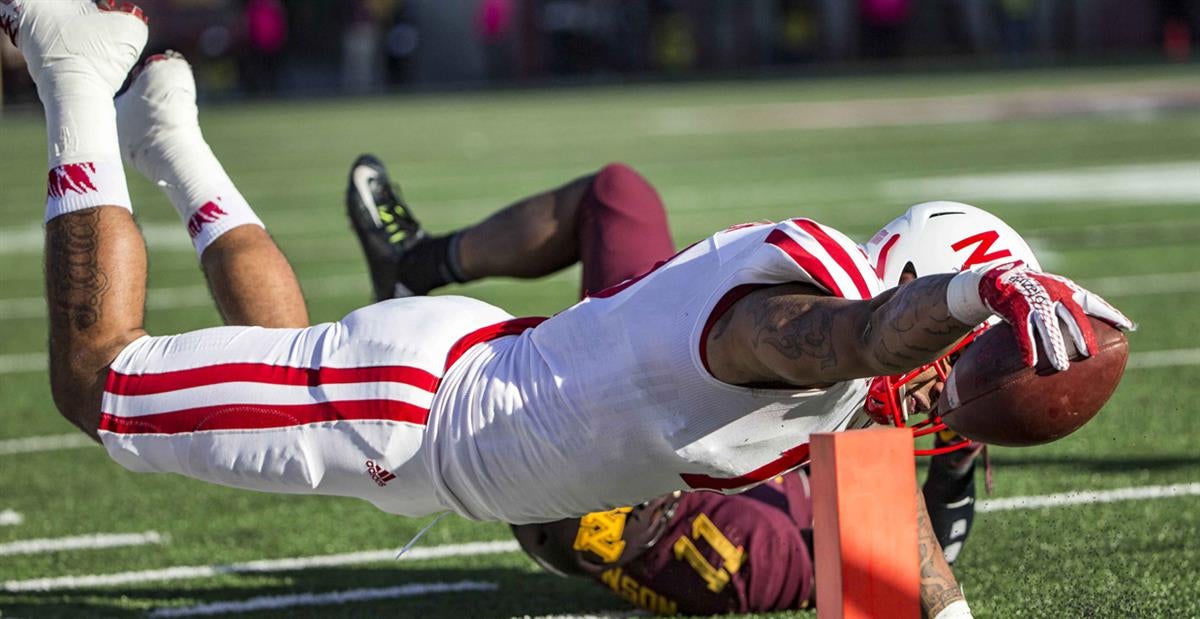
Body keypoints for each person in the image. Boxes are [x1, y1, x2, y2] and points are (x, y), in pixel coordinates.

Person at [6, 3, 1131, 618]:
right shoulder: (805, 322)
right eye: (954, 348)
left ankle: (174, 141)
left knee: (266, 354)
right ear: (916, 284)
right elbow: (861, 339)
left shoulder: (851, 354)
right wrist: (976, 294)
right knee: (93, 380)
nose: (944, 382)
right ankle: (74, 66)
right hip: (422, 412)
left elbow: (898, 567)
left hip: (456, 391)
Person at [345, 162, 992, 615]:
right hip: (636, 422)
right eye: (952, 350)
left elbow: (882, 575)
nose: (948, 383)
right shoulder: (818, 328)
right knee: (618, 194)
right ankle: (414, 267)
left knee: (843, 569)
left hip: (676, 499)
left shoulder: (866, 416)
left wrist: (954, 465)